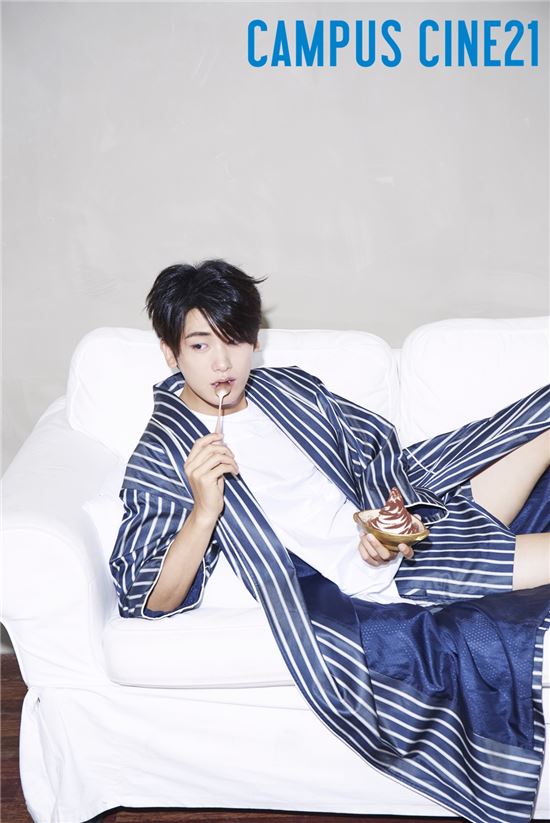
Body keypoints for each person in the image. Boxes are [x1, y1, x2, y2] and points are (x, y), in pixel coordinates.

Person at [110, 259, 550, 823]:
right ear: (171, 353)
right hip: (387, 572)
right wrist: (203, 510)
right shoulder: (165, 452)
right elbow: (148, 597)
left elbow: (374, 451)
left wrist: (382, 517)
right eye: (200, 345)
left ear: (254, 341)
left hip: (407, 523)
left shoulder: (288, 390)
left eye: (234, 340)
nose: (222, 363)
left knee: (540, 417)